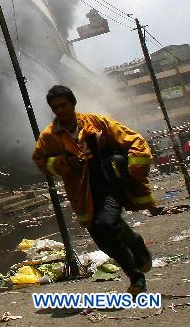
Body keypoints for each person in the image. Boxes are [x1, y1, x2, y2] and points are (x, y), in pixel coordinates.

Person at [32, 85, 155, 294]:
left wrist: (134, 169)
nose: (60, 111)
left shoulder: (97, 123)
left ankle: (135, 244)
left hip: (108, 185)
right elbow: (41, 161)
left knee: (106, 222)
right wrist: (64, 162)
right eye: (55, 108)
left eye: (63, 105)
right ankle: (136, 277)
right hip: (81, 193)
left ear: (72, 103)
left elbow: (133, 139)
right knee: (103, 240)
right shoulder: (49, 136)